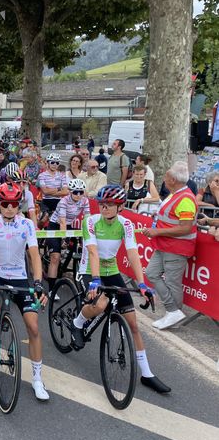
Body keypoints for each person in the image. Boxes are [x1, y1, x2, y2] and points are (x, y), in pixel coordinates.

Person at [71, 184, 171, 394]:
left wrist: (143, 284)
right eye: (102, 204)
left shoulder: (125, 224)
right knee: (100, 304)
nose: (104, 208)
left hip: (112, 270)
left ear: (120, 207)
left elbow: (133, 254)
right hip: (90, 270)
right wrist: (96, 280)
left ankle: (147, 374)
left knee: (133, 323)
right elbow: (94, 253)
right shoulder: (91, 221)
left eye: (110, 205)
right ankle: (77, 322)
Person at [0, 183, 49, 401]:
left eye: (13, 204)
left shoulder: (27, 225)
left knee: (33, 327)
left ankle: (37, 379)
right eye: (5, 204)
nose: (9, 208)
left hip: (19, 278)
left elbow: (34, 255)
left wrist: (37, 282)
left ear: (19, 205)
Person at [141, 161, 197, 330]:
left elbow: (185, 227)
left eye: (166, 177)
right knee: (151, 273)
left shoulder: (186, 198)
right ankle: (173, 312)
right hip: (165, 245)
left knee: (173, 282)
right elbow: (170, 216)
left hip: (176, 248)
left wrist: (157, 232)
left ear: (173, 179)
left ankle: (174, 315)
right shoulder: (176, 194)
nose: (163, 180)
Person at [45, 179, 90, 291]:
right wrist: (64, 239)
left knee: (76, 244)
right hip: (55, 225)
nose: (78, 195)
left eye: (81, 192)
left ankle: (69, 260)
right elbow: (62, 222)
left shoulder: (84, 201)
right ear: (70, 191)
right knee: (55, 257)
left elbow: (87, 218)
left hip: (69, 225)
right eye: (75, 192)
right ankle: (51, 290)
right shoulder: (63, 201)